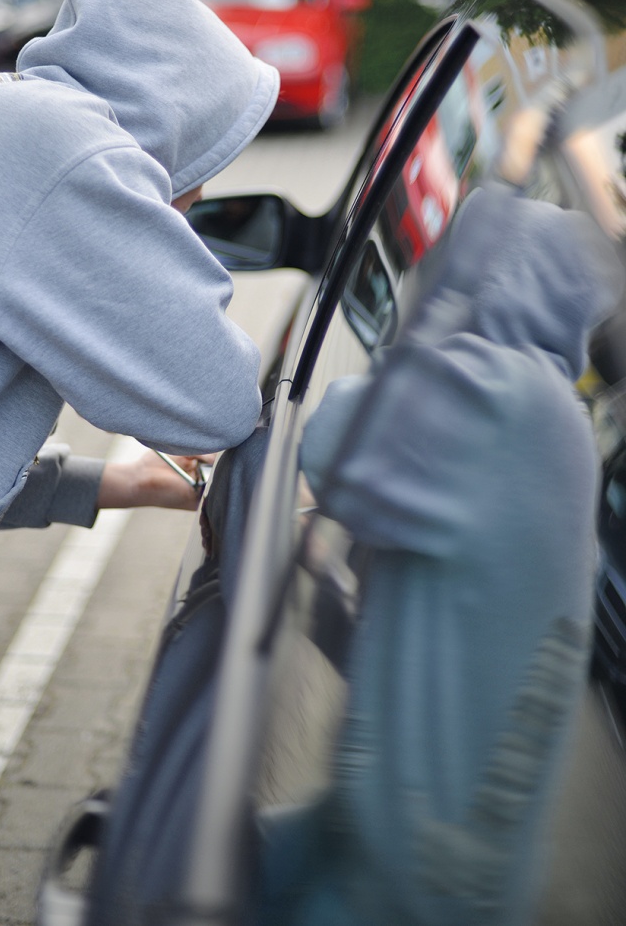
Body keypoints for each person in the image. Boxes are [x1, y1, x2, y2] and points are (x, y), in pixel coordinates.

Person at [0, 0, 279, 925]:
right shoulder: (66, 160)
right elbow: (214, 394)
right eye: (209, 156)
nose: (201, 189)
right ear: (173, 105)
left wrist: (104, 485)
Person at [258, 183, 623, 925]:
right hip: (423, 836)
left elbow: (333, 436)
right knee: (228, 866)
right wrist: (320, 584)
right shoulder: (552, 424)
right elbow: (426, 637)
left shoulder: (507, 402)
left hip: (414, 870)